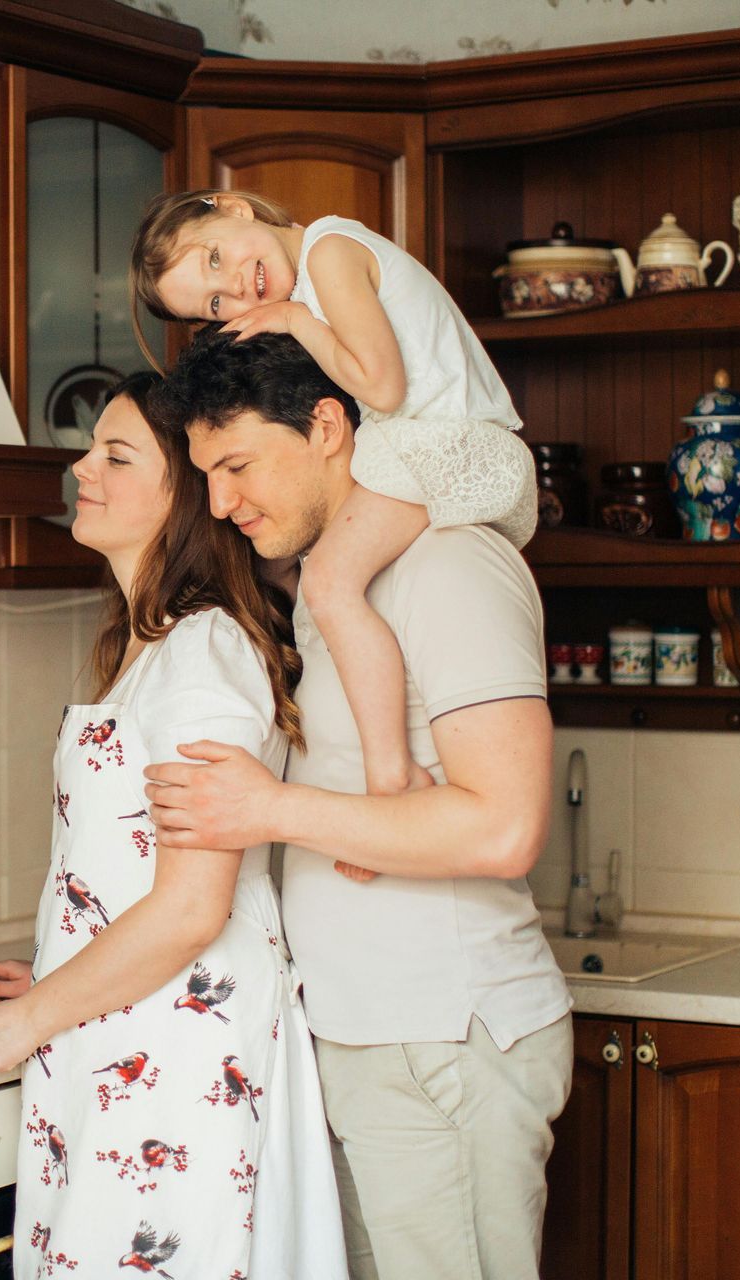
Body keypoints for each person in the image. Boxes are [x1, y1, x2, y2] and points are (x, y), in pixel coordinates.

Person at [146, 330, 573, 1280]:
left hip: (442, 1041)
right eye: (206, 475)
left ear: (329, 427)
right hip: (371, 1037)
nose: (223, 501)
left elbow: (504, 825)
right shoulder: (331, 589)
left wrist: (267, 810)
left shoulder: (451, 566)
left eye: (239, 464)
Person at [0, 373, 347, 1279]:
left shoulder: (203, 652)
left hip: (181, 1059)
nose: (82, 466)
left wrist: (35, 1016)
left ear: (188, 499)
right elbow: (130, 870)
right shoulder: (151, 642)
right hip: (131, 1023)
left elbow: (193, 906)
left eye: (117, 455)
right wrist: (60, 964)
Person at [130, 189, 536, 804]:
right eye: (216, 303)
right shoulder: (317, 272)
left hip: (452, 446)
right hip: (435, 448)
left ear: (235, 206)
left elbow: (384, 384)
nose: (238, 292)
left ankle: (388, 772)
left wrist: (295, 321)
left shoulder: (330, 252)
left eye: (214, 258)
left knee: (329, 587)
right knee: (318, 578)